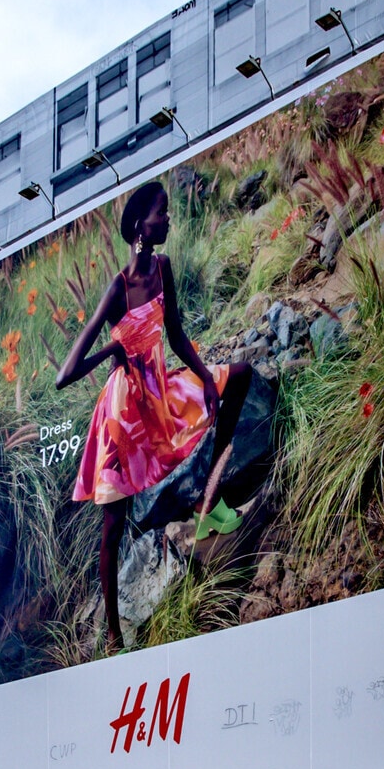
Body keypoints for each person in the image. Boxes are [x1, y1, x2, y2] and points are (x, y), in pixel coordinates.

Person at [58, 180, 257, 649]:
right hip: (124, 412)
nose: (168, 219)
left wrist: (205, 377)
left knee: (240, 376)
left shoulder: (163, 267)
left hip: (160, 391)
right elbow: (65, 373)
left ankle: (208, 500)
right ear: (139, 228)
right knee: (112, 526)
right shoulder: (118, 288)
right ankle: (112, 632)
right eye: (160, 214)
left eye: (166, 212)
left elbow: (176, 334)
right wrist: (113, 349)